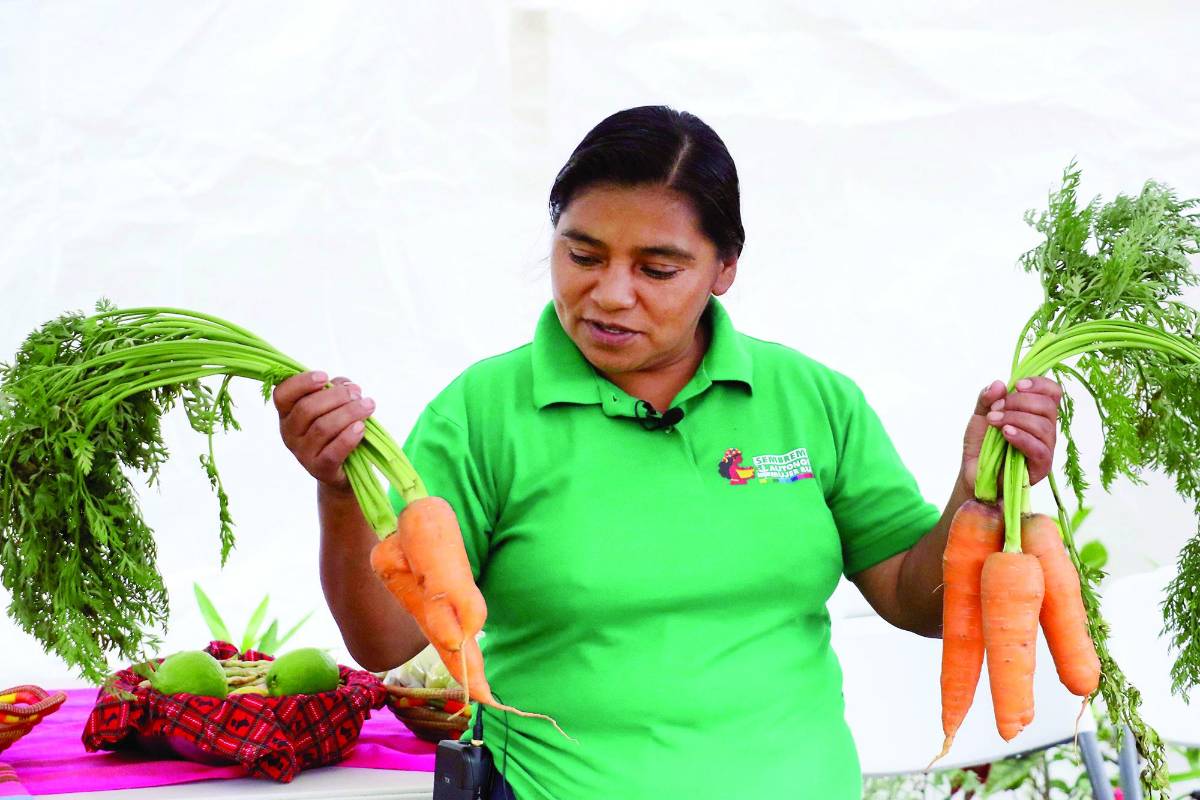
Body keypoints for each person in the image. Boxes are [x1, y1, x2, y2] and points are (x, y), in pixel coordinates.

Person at [272, 106, 1061, 800]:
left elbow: (916, 601)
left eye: (657, 269)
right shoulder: (484, 413)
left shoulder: (812, 400)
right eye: (583, 256)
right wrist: (341, 491)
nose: (612, 293)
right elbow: (385, 641)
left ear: (724, 269)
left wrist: (976, 493)